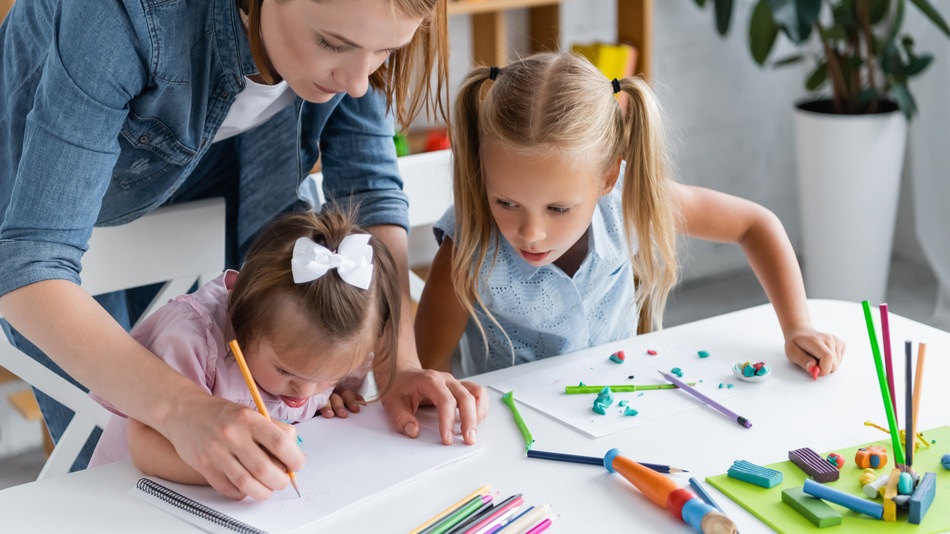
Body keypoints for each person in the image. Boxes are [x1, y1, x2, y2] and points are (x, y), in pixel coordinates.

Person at [0, 0, 486, 501]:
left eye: (386, 51)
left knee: (239, 440)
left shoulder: (359, 24)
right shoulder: (118, 14)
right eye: (332, 44)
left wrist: (398, 362)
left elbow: (368, 190)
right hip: (41, 208)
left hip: (204, 172)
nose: (359, 83)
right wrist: (184, 410)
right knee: (115, 475)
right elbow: (30, 263)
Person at [415, 52, 846, 377]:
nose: (530, 231)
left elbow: (754, 224)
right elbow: (428, 368)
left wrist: (796, 326)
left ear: (607, 177)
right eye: (506, 202)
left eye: (559, 208)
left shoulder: (629, 202)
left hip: (621, 403)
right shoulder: (469, 240)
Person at [88, 210, 399, 483]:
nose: (305, 393)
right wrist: (233, 469)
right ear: (242, 317)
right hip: (127, 500)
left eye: (328, 378)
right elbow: (144, 446)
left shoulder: (342, 346)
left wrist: (337, 394)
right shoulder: (191, 341)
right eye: (285, 370)